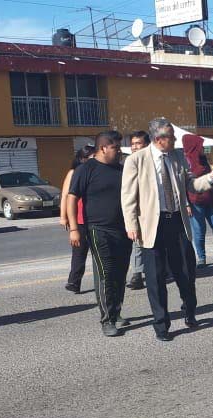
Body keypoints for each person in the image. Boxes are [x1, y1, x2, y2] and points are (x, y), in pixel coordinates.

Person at [121, 119, 213, 341]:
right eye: (171, 136)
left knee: (186, 271)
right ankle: (162, 325)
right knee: (155, 277)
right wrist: (131, 225)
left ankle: (190, 310)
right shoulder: (136, 160)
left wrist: (211, 178)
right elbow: (128, 196)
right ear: (159, 139)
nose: (175, 140)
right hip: (152, 225)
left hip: (177, 221)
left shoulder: (178, 156)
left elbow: (191, 185)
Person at [67, 131, 131, 337]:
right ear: (103, 148)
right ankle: (107, 319)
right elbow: (71, 198)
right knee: (106, 273)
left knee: (120, 273)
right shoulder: (86, 169)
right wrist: (74, 229)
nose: (119, 151)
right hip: (98, 229)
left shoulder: (121, 169)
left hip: (124, 229)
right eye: (115, 147)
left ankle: (116, 311)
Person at [183, 134, 213, 268]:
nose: (203, 148)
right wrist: (186, 204)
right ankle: (201, 258)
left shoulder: (203, 160)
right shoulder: (185, 161)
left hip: (211, 199)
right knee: (199, 230)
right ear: (194, 147)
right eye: (200, 146)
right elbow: (183, 184)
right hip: (194, 202)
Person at [62, 145, 96, 293]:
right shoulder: (74, 172)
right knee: (79, 253)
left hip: (95, 219)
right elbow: (65, 196)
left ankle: (103, 281)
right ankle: (74, 282)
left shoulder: (98, 171)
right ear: (82, 159)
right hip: (79, 219)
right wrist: (63, 217)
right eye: (91, 157)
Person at [126, 132, 149, 290]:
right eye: (133, 144)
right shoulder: (129, 162)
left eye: (138, 143)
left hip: (153, 209)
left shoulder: (153, 161)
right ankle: (137, 274)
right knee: (137, 242)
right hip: (136, 209)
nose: (134, 147)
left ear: (146, 144)